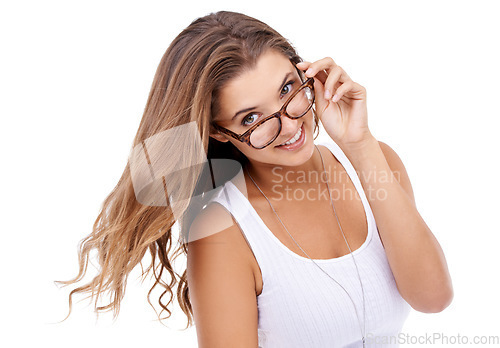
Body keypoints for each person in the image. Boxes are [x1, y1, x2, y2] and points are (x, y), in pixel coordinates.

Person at [56, 10, 453, 347]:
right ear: (216, 132)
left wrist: (360, 144)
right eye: (251, 118)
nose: (287, 125)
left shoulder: (376, 162)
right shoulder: (220, 229)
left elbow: (432, 297)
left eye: (287, 89)